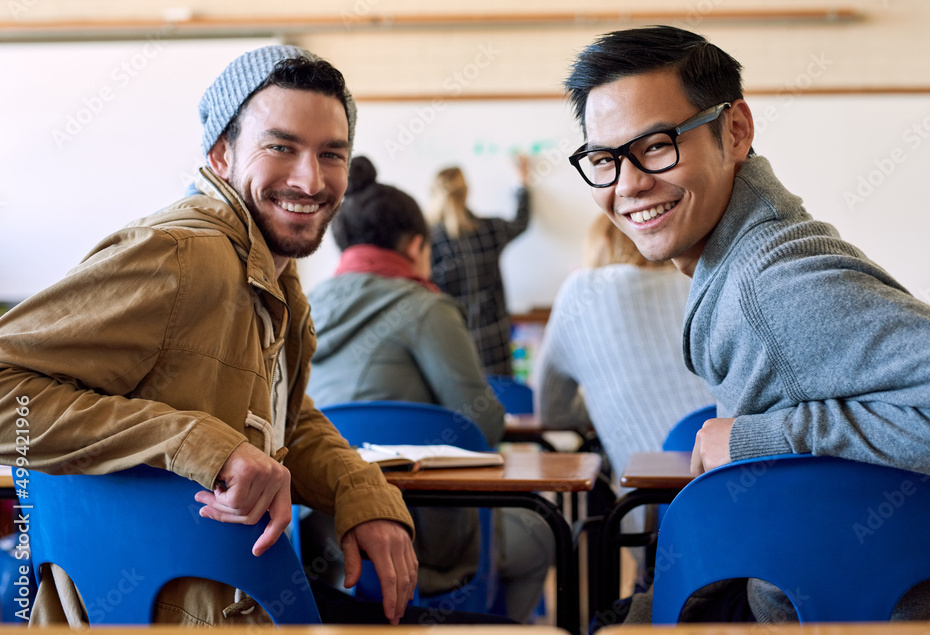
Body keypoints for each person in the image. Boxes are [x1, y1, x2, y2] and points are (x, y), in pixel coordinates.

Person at [0, 45, 497, 627]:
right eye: (281, 146)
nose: (310, 178)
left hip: (241, 598)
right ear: (220, 153)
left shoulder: (270, 276)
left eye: (330, 154)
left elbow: (285, 417)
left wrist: (361, 493)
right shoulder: (186, 256)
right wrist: (201, 444)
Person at [563, 25, 930, 624]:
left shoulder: (768, 283)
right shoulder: (748, 255)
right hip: (809, 596)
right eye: (604, 160)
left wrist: (760, 437)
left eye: (657, 145)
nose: (629, 183)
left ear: (735, 131)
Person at [305, 156, 554, 623]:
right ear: (418, 245)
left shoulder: (303, 307)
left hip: (318, 538)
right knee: (541, 533)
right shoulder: (426, 307)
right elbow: (482, 423)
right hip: (420, 538)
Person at [534, 213, 714, 499]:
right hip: (744, 479)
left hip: (653, 509)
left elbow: (552, 412)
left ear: (603, 244)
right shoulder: (701, 279)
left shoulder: (581, 289)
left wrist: (604, 403)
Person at [428, 158, 531, 376]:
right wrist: (522, 183)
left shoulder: (426, 242)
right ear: (466, 192)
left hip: (450, 346)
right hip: (493, 345)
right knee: (498, 405)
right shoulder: (490, 230)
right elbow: (521, 222)